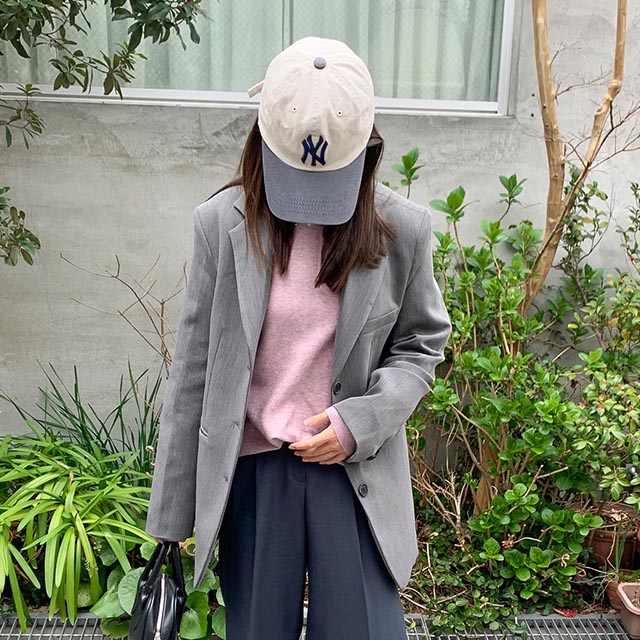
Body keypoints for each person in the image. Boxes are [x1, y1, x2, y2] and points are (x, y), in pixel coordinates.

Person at [145, 36, 452, 640]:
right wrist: (170, 521)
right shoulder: (222, 224)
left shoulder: (403, 229)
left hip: (355, 474)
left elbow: (421, 343)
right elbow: (194, 371)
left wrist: (359, 423)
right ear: (264, 138)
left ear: (366, 148)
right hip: (256, 474)